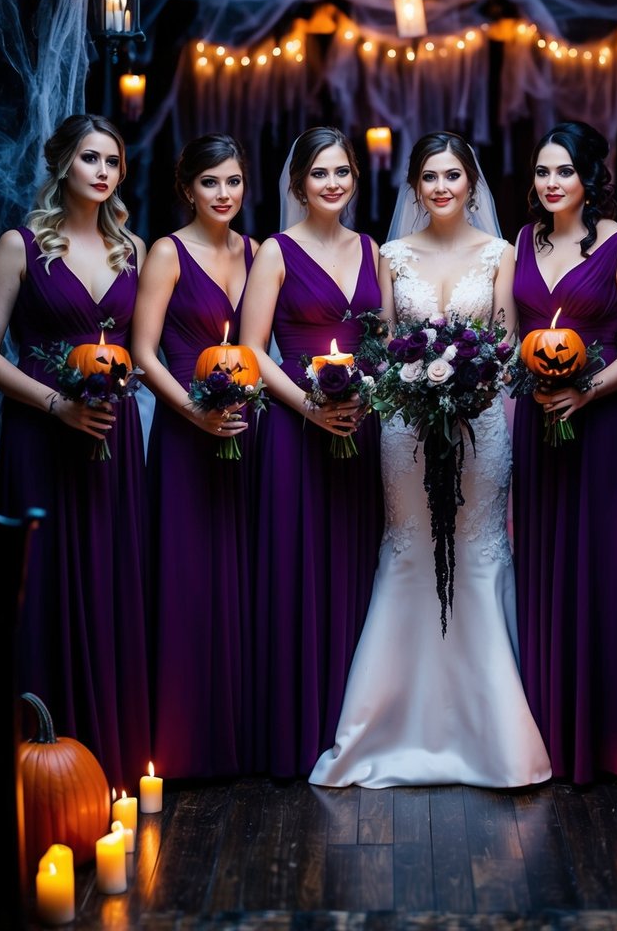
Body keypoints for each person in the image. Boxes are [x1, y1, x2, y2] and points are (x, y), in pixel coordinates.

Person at [310, 131, 552, 788]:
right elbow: (385, 348)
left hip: (479, 427)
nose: (441, 187)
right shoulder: (390, 256)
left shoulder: (500, 254)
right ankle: (387, 726)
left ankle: (492, 732)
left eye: (453, 175)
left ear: (471, 182)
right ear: (413, 187)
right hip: (405, 430)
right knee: (410, 548)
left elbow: (505, 346)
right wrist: (414, 386)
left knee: (477, 553)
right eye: (429, 177)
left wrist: (469, 385)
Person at [0, 113, 151, 788]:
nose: (103, 171)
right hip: (43, 431)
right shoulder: (20, 246)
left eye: (113, 160)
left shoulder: (132, 250)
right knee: (46, 585)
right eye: (90, 158)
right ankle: (42, 761)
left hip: (110, 436)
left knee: (110, 581)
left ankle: (110, 755)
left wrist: (129, 380)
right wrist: (55, 403)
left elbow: (139, 351)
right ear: (62, 165)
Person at [239, 126, 384, 778]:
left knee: (353, 571)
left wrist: (367, 394)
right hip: (296, 435)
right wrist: (307, 406)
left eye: (343, 172)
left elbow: (382, 341)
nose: (333, 183)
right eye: (320, 173)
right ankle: (292, 732)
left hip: (359, 428)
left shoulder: (371, 250)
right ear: (298, 183)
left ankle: (348, 729)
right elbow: (247, 352)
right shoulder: (274, 252)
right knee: (297, 575)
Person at [512, 119, 617, 785]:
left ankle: (601, 739)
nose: (551, 183)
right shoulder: (521, 242)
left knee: (599, 569)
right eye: (542, 171)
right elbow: (512, 341)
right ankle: (545, 732)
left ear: (590, 177)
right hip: (537, 431)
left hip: (598, 432)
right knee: (543, 572)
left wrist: (588, 390)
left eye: (563, 171)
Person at [132, 134, 258, 779]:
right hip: (186, 434)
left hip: (243, 435)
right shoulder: (166, 252)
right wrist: (193, 411)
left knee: (240, 581)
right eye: (210, 182)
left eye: (233, 181)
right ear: (188, 189)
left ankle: (235, 736)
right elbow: (143, 352)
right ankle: (181, 745)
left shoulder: (256, 251)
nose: (224, 194)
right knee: (186, 579)